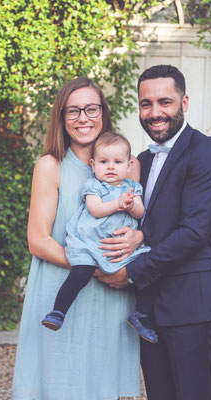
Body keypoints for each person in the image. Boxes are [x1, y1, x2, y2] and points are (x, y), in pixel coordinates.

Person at [96, 64, 211, 400]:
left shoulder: (207, 150)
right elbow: (137, 223)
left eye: (165, 102)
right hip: (147, 309)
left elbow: (195, 232)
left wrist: (130, 273)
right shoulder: (137, 160)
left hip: (190, 306)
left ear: (184, 103)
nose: (155, 113)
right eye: (146, 104)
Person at [12, 77, 144, 400]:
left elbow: (135, 218)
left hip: (110, 296)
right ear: (61, 117)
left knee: (102, 388)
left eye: (91, 108)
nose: (83, 118)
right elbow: (38, 240)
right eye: (73, 111)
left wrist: (138, 237)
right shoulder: (50, 165)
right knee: (58, 386)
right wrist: (94, 267)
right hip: (62, 292)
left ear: (103, 112)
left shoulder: (130, 165)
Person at [41, 131, 157, 342]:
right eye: (104, 162)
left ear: (128, 166)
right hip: (92, 243)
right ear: (93, 165)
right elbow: (95, 209)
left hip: (122, 250)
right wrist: (117, 204)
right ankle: (58, 312)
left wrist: (131, 205)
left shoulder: (132, 187)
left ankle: (141, 314)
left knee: (147, 270)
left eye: (117, 162)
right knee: (80, 272)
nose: (111, 167)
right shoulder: (94, 185)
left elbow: (140, 213)